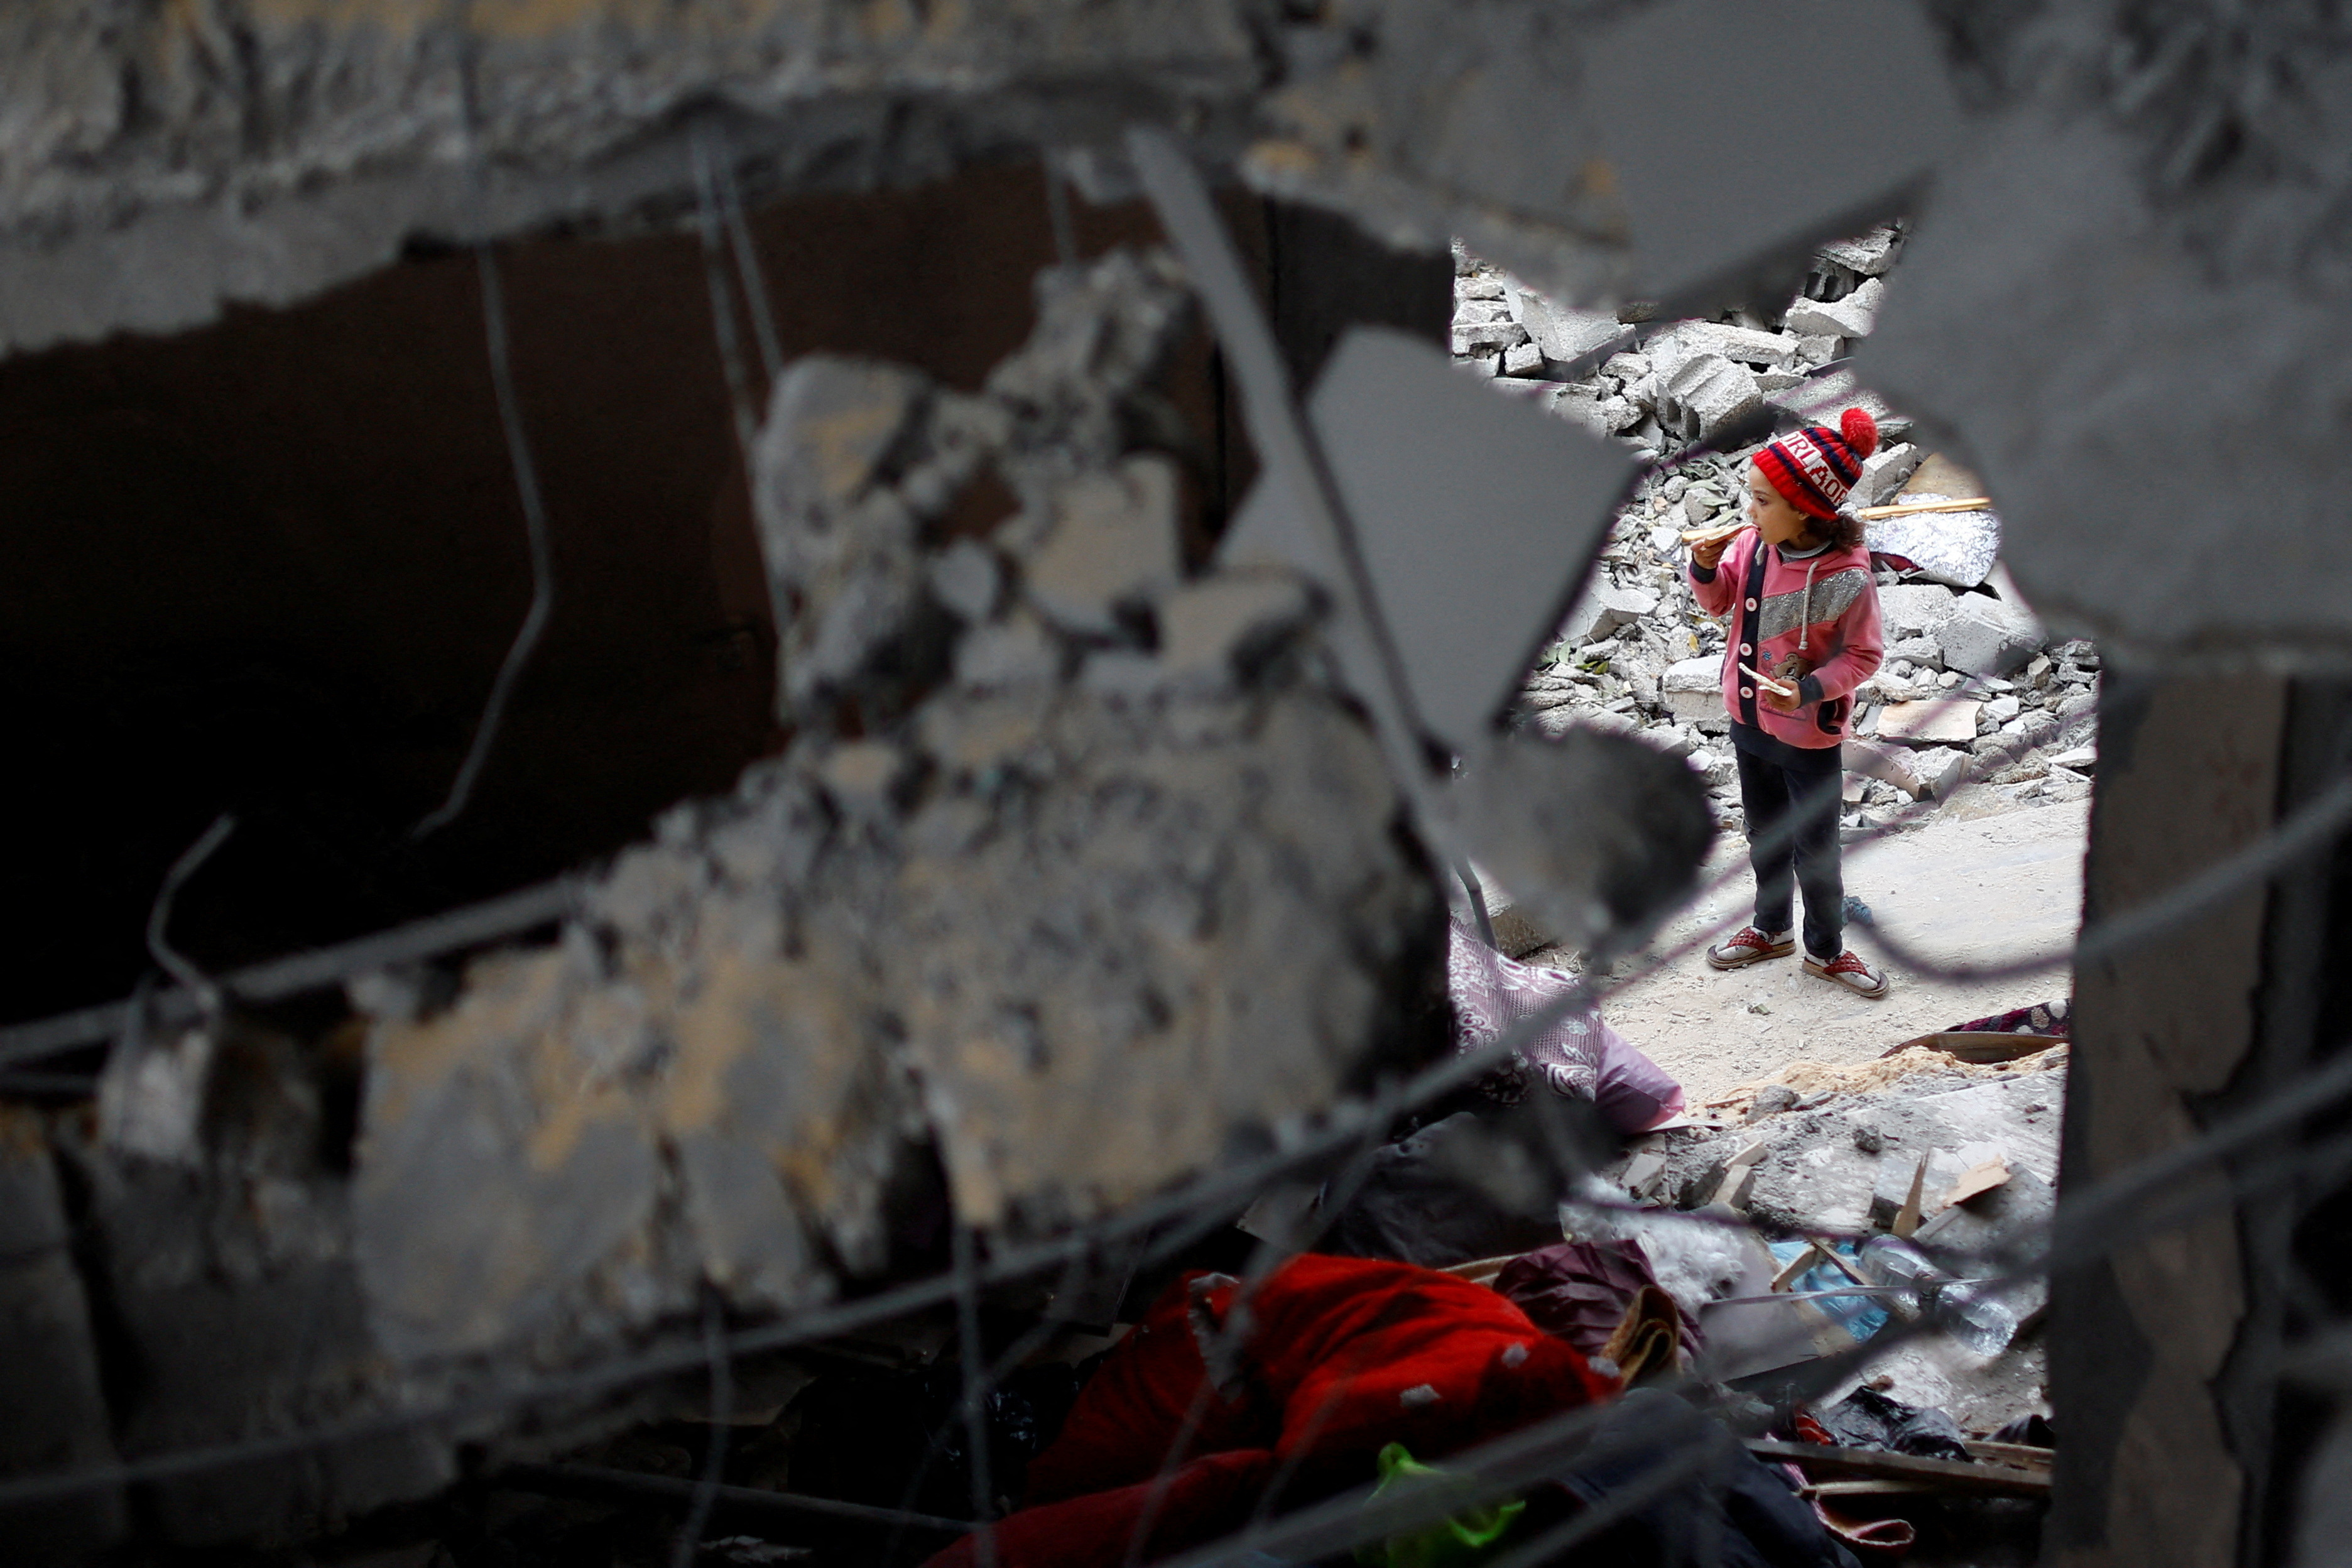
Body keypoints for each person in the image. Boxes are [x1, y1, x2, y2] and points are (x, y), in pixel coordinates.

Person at [1685, 407, 1890, 996]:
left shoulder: (1848, 576)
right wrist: (1704, 567)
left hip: (1808, 736)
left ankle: (1825, 950)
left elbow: (1864, 657)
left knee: (1816, 852)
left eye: (1762, 501)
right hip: (1749, 721)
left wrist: (1806, 690)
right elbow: (1720, 602)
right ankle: (1770, 929)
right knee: (1765, 836)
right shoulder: (1751, 549)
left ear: (1806, 510)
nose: (1748, 512)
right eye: (1750, 496)